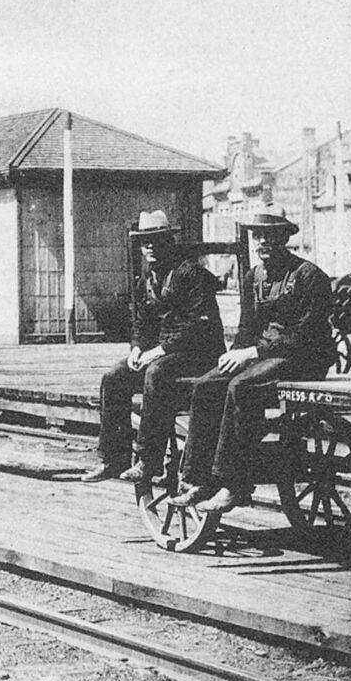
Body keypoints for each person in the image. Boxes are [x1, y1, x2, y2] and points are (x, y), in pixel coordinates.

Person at [172, 209, 334, 513]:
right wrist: (234, 352)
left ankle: (234, 484)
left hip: (305, 358)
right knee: (208, 384)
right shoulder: (253, 277)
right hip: (266, 354)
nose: (262, 242)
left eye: (270, 236)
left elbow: (307, 336)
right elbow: (248, 327)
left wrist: (252, 353)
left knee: (242, 387)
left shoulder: (309, 276)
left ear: (284, 238)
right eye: (257, 236)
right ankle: (197, 479)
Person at [81, 211, 224, 483]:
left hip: (200, 355)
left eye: (156, 241)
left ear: (169, 241)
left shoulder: (191, 274)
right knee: (114, 378)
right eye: (145, 242)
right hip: (162, 354)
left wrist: (158, 351)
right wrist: (136, 348)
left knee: (156, 374)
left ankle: (149, 459)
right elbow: (140, 322)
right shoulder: (146, 279)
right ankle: (113, 458)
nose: (149, 248)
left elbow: (198, 325)